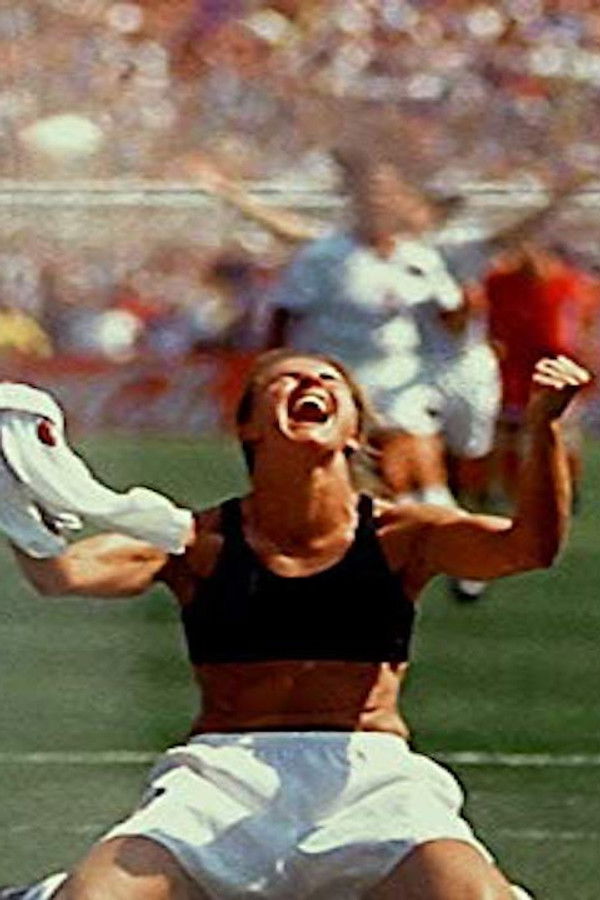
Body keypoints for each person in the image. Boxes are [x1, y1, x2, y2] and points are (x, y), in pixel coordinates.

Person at [0, 348, 590, 900]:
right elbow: (63, 573)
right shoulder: (196, 540)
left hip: (372, 778)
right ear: (249, 426)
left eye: (329, 380)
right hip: (220, 778)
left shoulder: (403, 534)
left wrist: (543, 427)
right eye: (285, 380)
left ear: (354, 431)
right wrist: (16, 495)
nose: (310, 382)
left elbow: (528, 548)